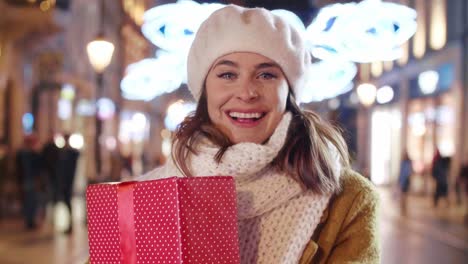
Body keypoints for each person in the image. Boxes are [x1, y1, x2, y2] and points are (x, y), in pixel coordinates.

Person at [137, 5, 380, 263]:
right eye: (228, 74)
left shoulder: (349, 201)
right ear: (205, 90)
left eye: (266, 74)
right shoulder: (146, 197)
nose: (247, 92)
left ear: (289, 92)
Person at [15, 134, 42, 230]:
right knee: (28, 201)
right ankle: (29, 220)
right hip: (27, 180)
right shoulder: (22, 154)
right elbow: (19, 169)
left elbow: (39, 168)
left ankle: (31, 220)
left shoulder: (34, 154)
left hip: (32, 180)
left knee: (33, 201)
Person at [56, 134, 80, 234]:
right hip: (63, 181)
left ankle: (70, 225)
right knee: (65, 202)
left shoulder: (71, 153)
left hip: (68, 181)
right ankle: (69, 224)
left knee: (68, 202)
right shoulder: (63, 153)